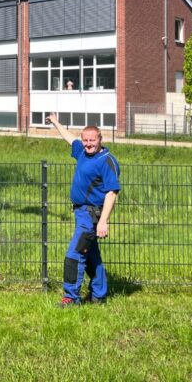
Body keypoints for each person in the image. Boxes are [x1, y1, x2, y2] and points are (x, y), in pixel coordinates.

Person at [46, 112, 120, 306]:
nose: (88, 144)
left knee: (75, 254)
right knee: (91, 257)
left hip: (91, 215)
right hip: (80, 213)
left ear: (100, 140)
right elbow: (70, 138)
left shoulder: (107, 161)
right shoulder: (82, 152)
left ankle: (71, 297)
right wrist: (55, 122)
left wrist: (103, 221)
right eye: (85, 140)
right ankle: (99, 295)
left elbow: (112, 193)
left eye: (92, 141)